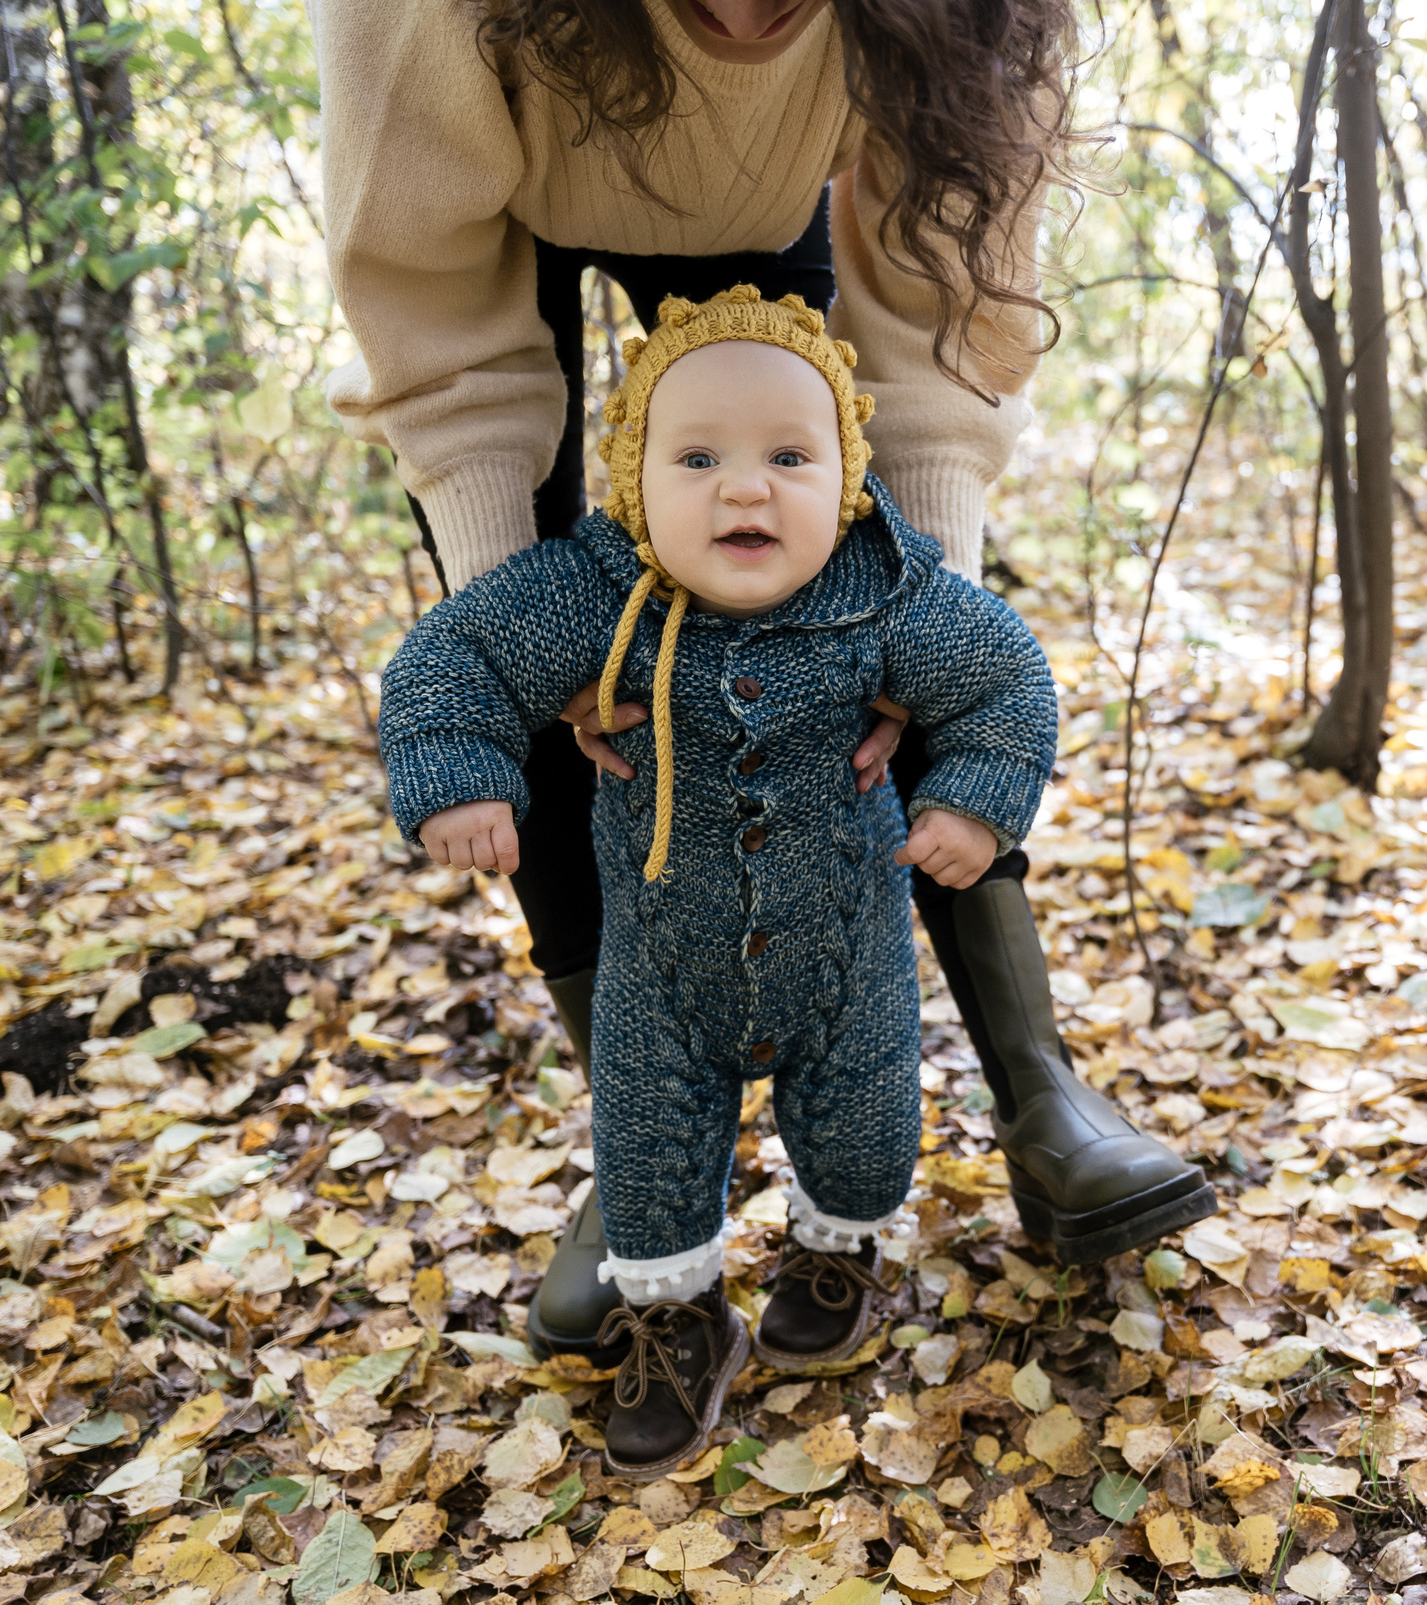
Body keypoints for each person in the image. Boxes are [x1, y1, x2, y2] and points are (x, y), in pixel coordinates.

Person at [312, 0, 1215, 1362]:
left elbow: (936, 340)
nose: (745, 16)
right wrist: (535, 631)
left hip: (803, 200)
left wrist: (905, 617)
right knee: (566, 647)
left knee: (868, 608)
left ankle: (1038, 1087)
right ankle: (637, 1144)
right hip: (503, 218)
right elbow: (437, 327)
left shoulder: (963, 22)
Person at [384, 290, 1060, 1472]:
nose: (744, 489)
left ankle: (836, 1258)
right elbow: (459, 653)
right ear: (633, 479)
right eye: (696, 457)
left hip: (843, 958)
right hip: (658, 968)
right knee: (647, 1159)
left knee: (864, 1137)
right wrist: (459, 773)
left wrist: (973, 803)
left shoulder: (883, 588)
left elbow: (1006, 678)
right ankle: (683, 1321)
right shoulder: (595, 593)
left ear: (849, 478)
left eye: (790, 457)